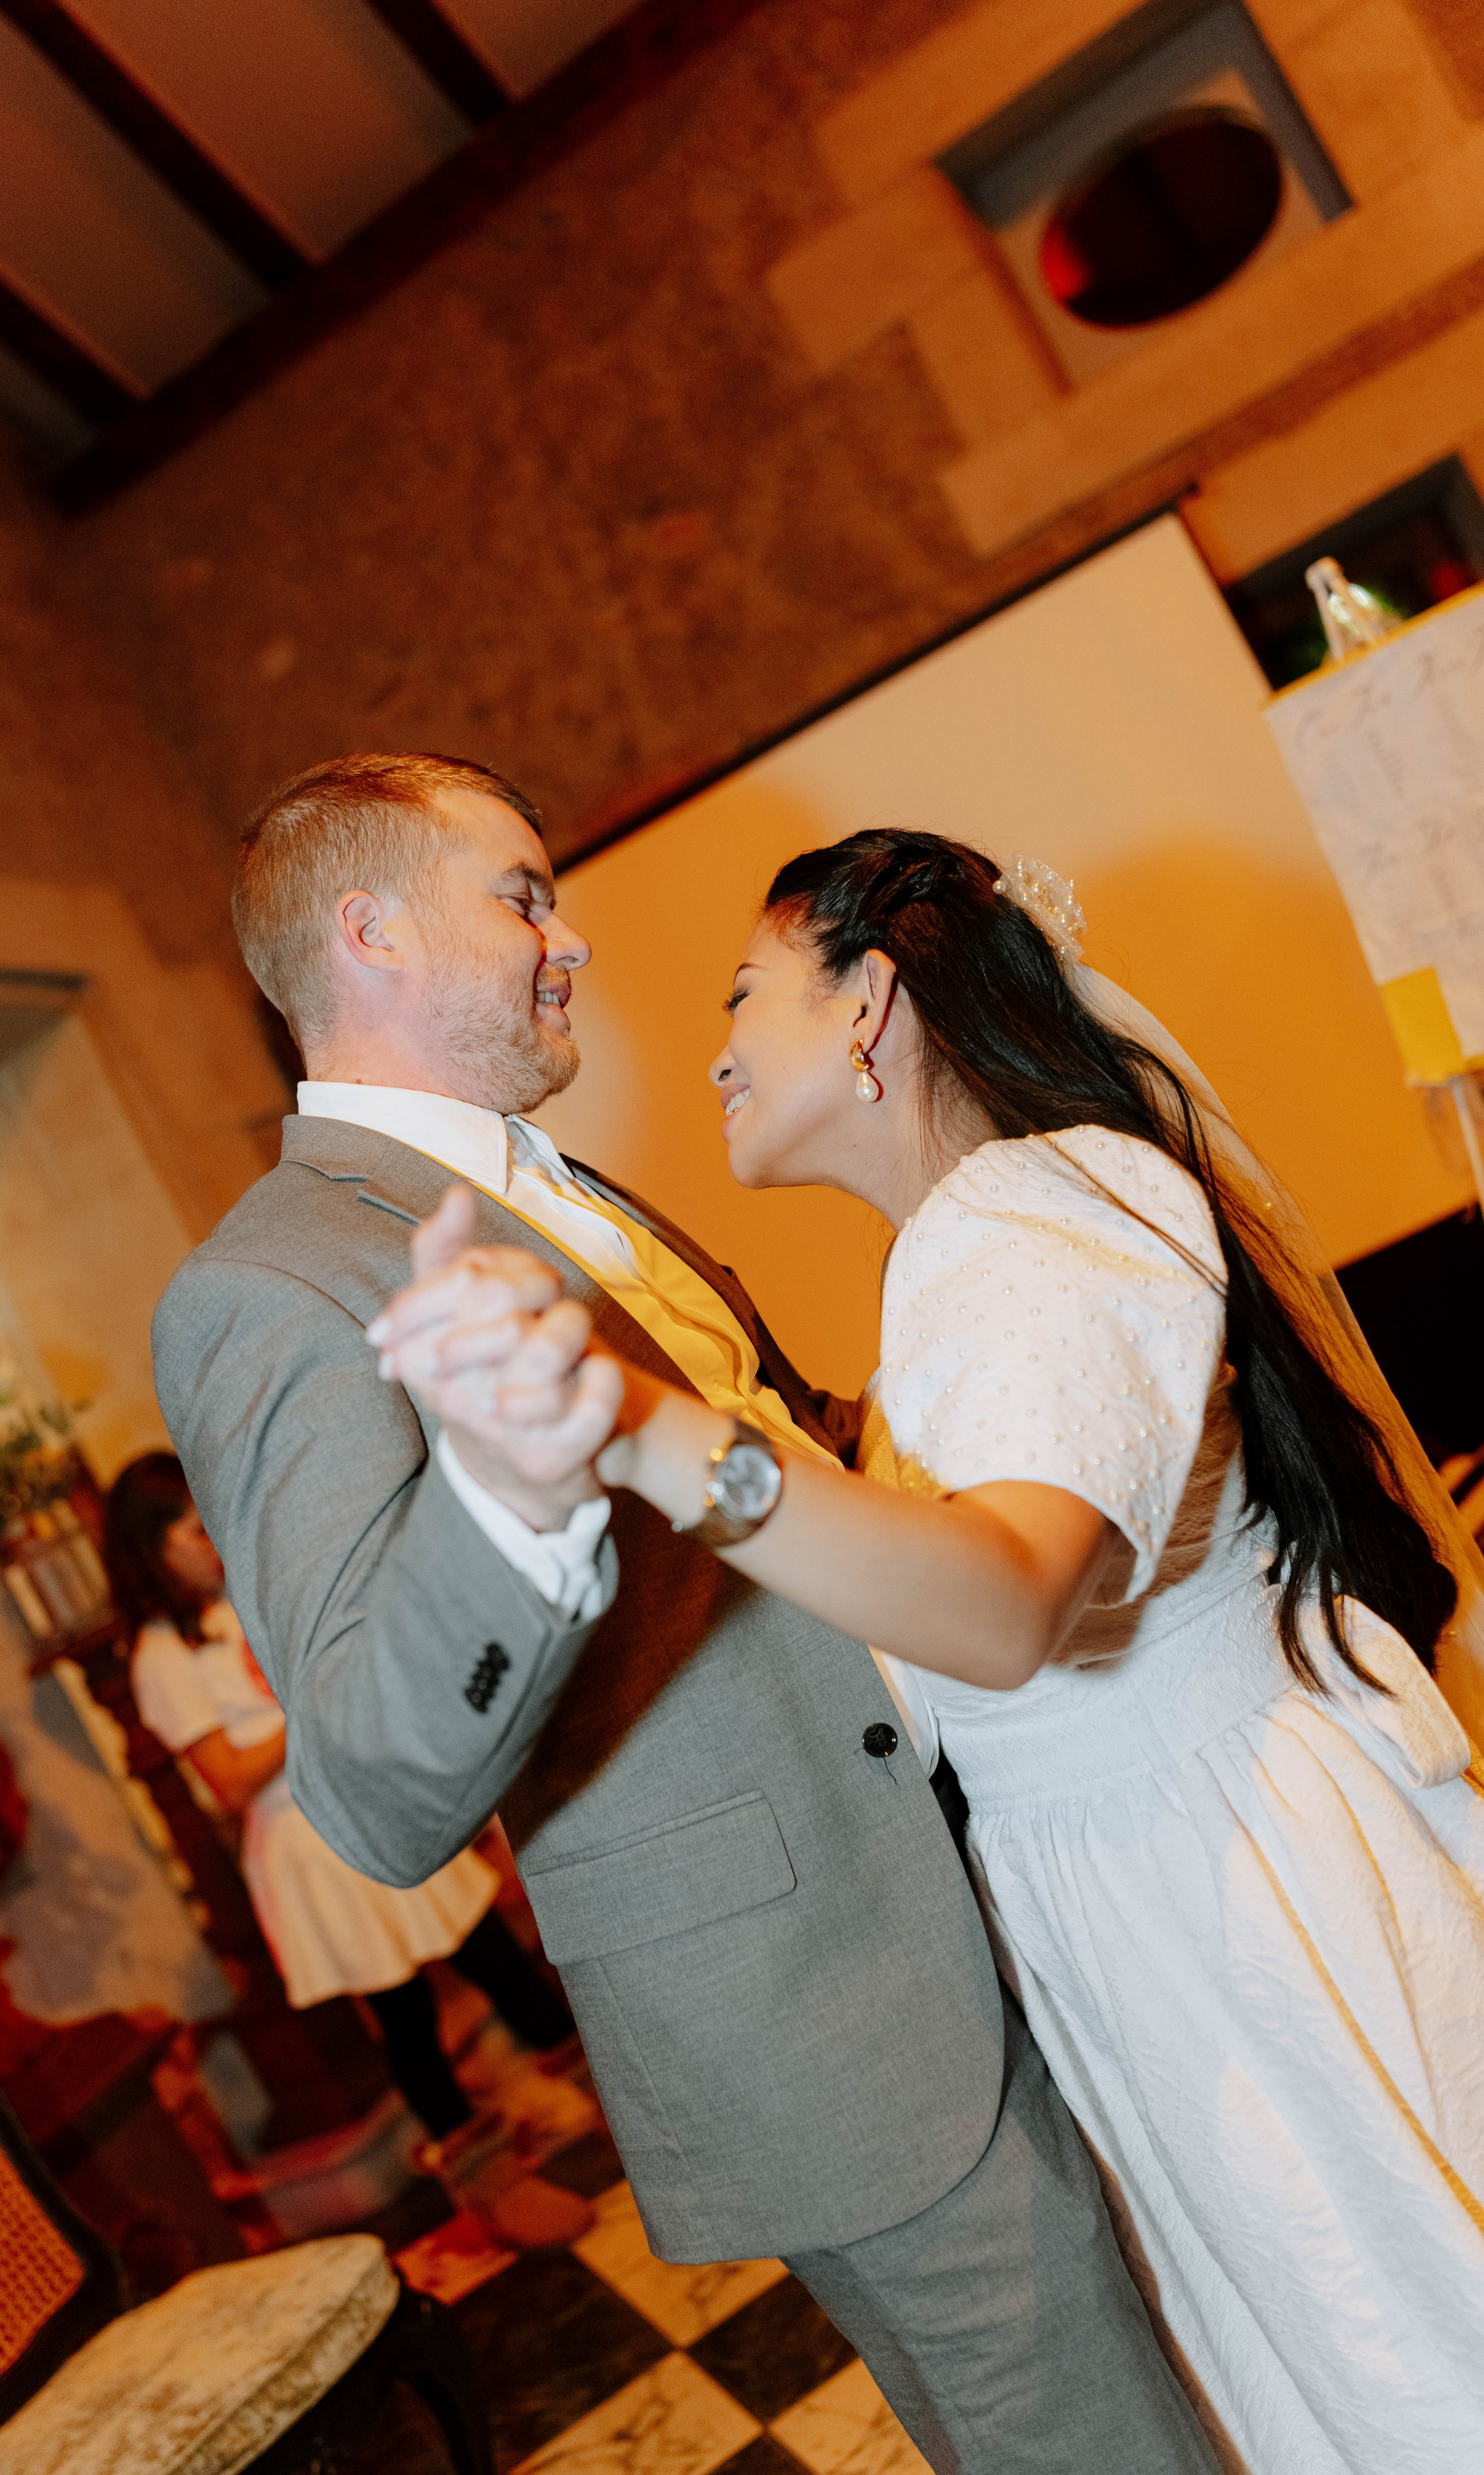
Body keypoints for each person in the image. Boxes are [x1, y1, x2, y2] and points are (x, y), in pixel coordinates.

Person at [152, 753, 1217, 2475]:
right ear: (374, 933)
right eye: (522, 892)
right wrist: (512, 1495)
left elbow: (773, 1496)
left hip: (1001, 1884)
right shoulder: (267, 1285)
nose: (566, 938)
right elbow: (365, 1785)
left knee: (1193, 2370)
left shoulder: (560, 1188)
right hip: (827, 2003)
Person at [379, 828, 1484, 2475]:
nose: (713, 1045)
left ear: (867, 1006)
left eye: (745, 994)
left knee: (1398, 2351)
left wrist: (644, 1429)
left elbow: (995, 1602)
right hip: (1160, 1877)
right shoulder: (988, 1234)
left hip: (1224, 1897)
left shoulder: (1027, 1217)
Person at [102, 1450, 590, 2247]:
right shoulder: (160, 1656)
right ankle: (494, 2188)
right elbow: (224, 1779)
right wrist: (311, 1704)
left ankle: (620, 2103)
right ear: (153, 1550)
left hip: (365, 1794)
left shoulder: (247, 1593)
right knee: (405, 2017)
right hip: (306, 1840)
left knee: (491, 1952)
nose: (214, 1540)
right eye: (195, 1530)